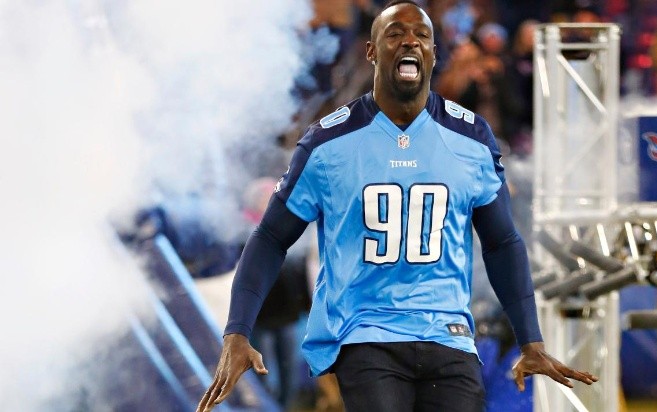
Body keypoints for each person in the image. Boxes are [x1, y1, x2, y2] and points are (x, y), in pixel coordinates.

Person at [197, 1, 598, 411]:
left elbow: (502, 243)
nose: (410, 41)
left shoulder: (471, 138)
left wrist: (530, 339)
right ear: (371, 51)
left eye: (422, 35)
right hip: (367, 333)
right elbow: (270, 237)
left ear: (434, 52)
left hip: (449, 333)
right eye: (395, 34)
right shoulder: (328, 143)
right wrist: (237, 332)